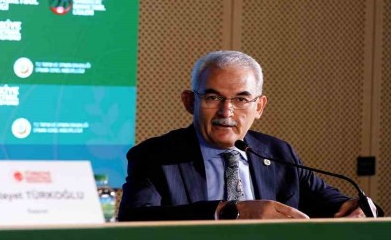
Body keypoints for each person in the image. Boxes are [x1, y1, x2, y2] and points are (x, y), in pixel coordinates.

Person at [118, 50, 376, 221]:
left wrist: (359, 208)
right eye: (212, 97)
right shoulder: (155, 156)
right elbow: (134, 218)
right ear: (189, 102)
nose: (226, 111)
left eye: (241, 99)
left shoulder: (278, 153)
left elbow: (334, 202)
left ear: (259, 107)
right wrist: (230, 211)